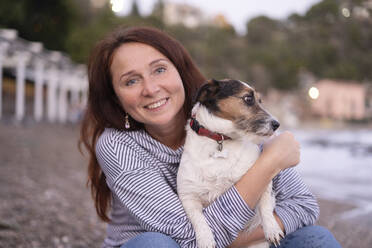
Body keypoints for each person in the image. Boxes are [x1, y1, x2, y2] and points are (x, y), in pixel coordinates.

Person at [79, 26, 341, 248]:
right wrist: (268, 164)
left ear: (180, 71)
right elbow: (187, 238)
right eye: (131, 81)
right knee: (155, 244)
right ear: (116, 97)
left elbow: (305, 207)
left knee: (316, 238)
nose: (151, 88)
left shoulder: (235, 123)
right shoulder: (117, 146)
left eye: (159, 70)